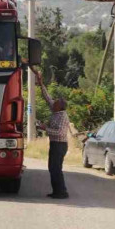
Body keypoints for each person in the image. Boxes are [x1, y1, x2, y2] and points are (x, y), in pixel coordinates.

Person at [33, 66, 70, 199]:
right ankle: (57, 191)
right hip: (55, 144)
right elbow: (46, 96)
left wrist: (44, 128)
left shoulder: (62, 116)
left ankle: (62, 192)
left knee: (55, 168)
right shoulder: (55, 111)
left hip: (59, 145)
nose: (52, 102)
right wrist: (40, 82)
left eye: (55, 102)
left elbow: (59, 133)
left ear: (60, 106)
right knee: (52, 168)